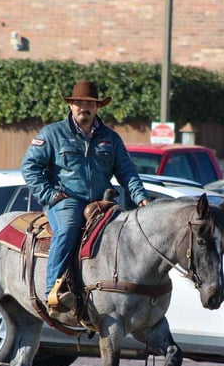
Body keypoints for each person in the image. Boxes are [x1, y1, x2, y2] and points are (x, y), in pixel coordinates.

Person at [21, 80, 150, 314]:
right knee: (68, 229)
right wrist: (49, 195)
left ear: (97, 107)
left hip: (102, 202)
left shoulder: (110, 138)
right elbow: (30, 167)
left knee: (123, 233)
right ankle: (53, 291)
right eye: (79, 103)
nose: (84, 108)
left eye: (90, 104)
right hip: (66, 200)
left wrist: (141, 197)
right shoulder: (52, 133)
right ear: (70, 105)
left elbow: (127, 171)